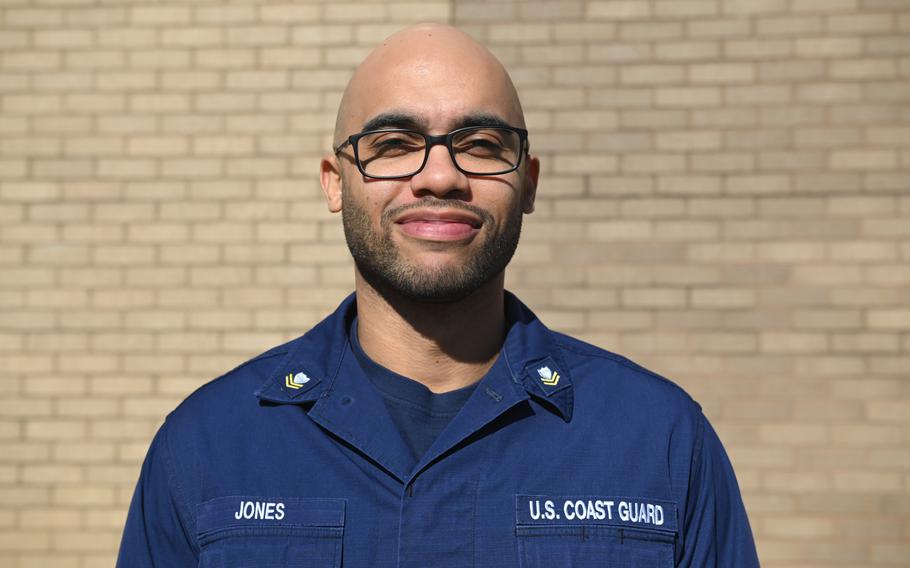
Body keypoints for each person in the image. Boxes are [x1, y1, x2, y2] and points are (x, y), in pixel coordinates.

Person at [117, 24, 760, 567]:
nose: (441, 176)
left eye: (480, 145)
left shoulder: (661, 441)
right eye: (393, 145)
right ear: (334, 183)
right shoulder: (207, 445)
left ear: (527, 184)